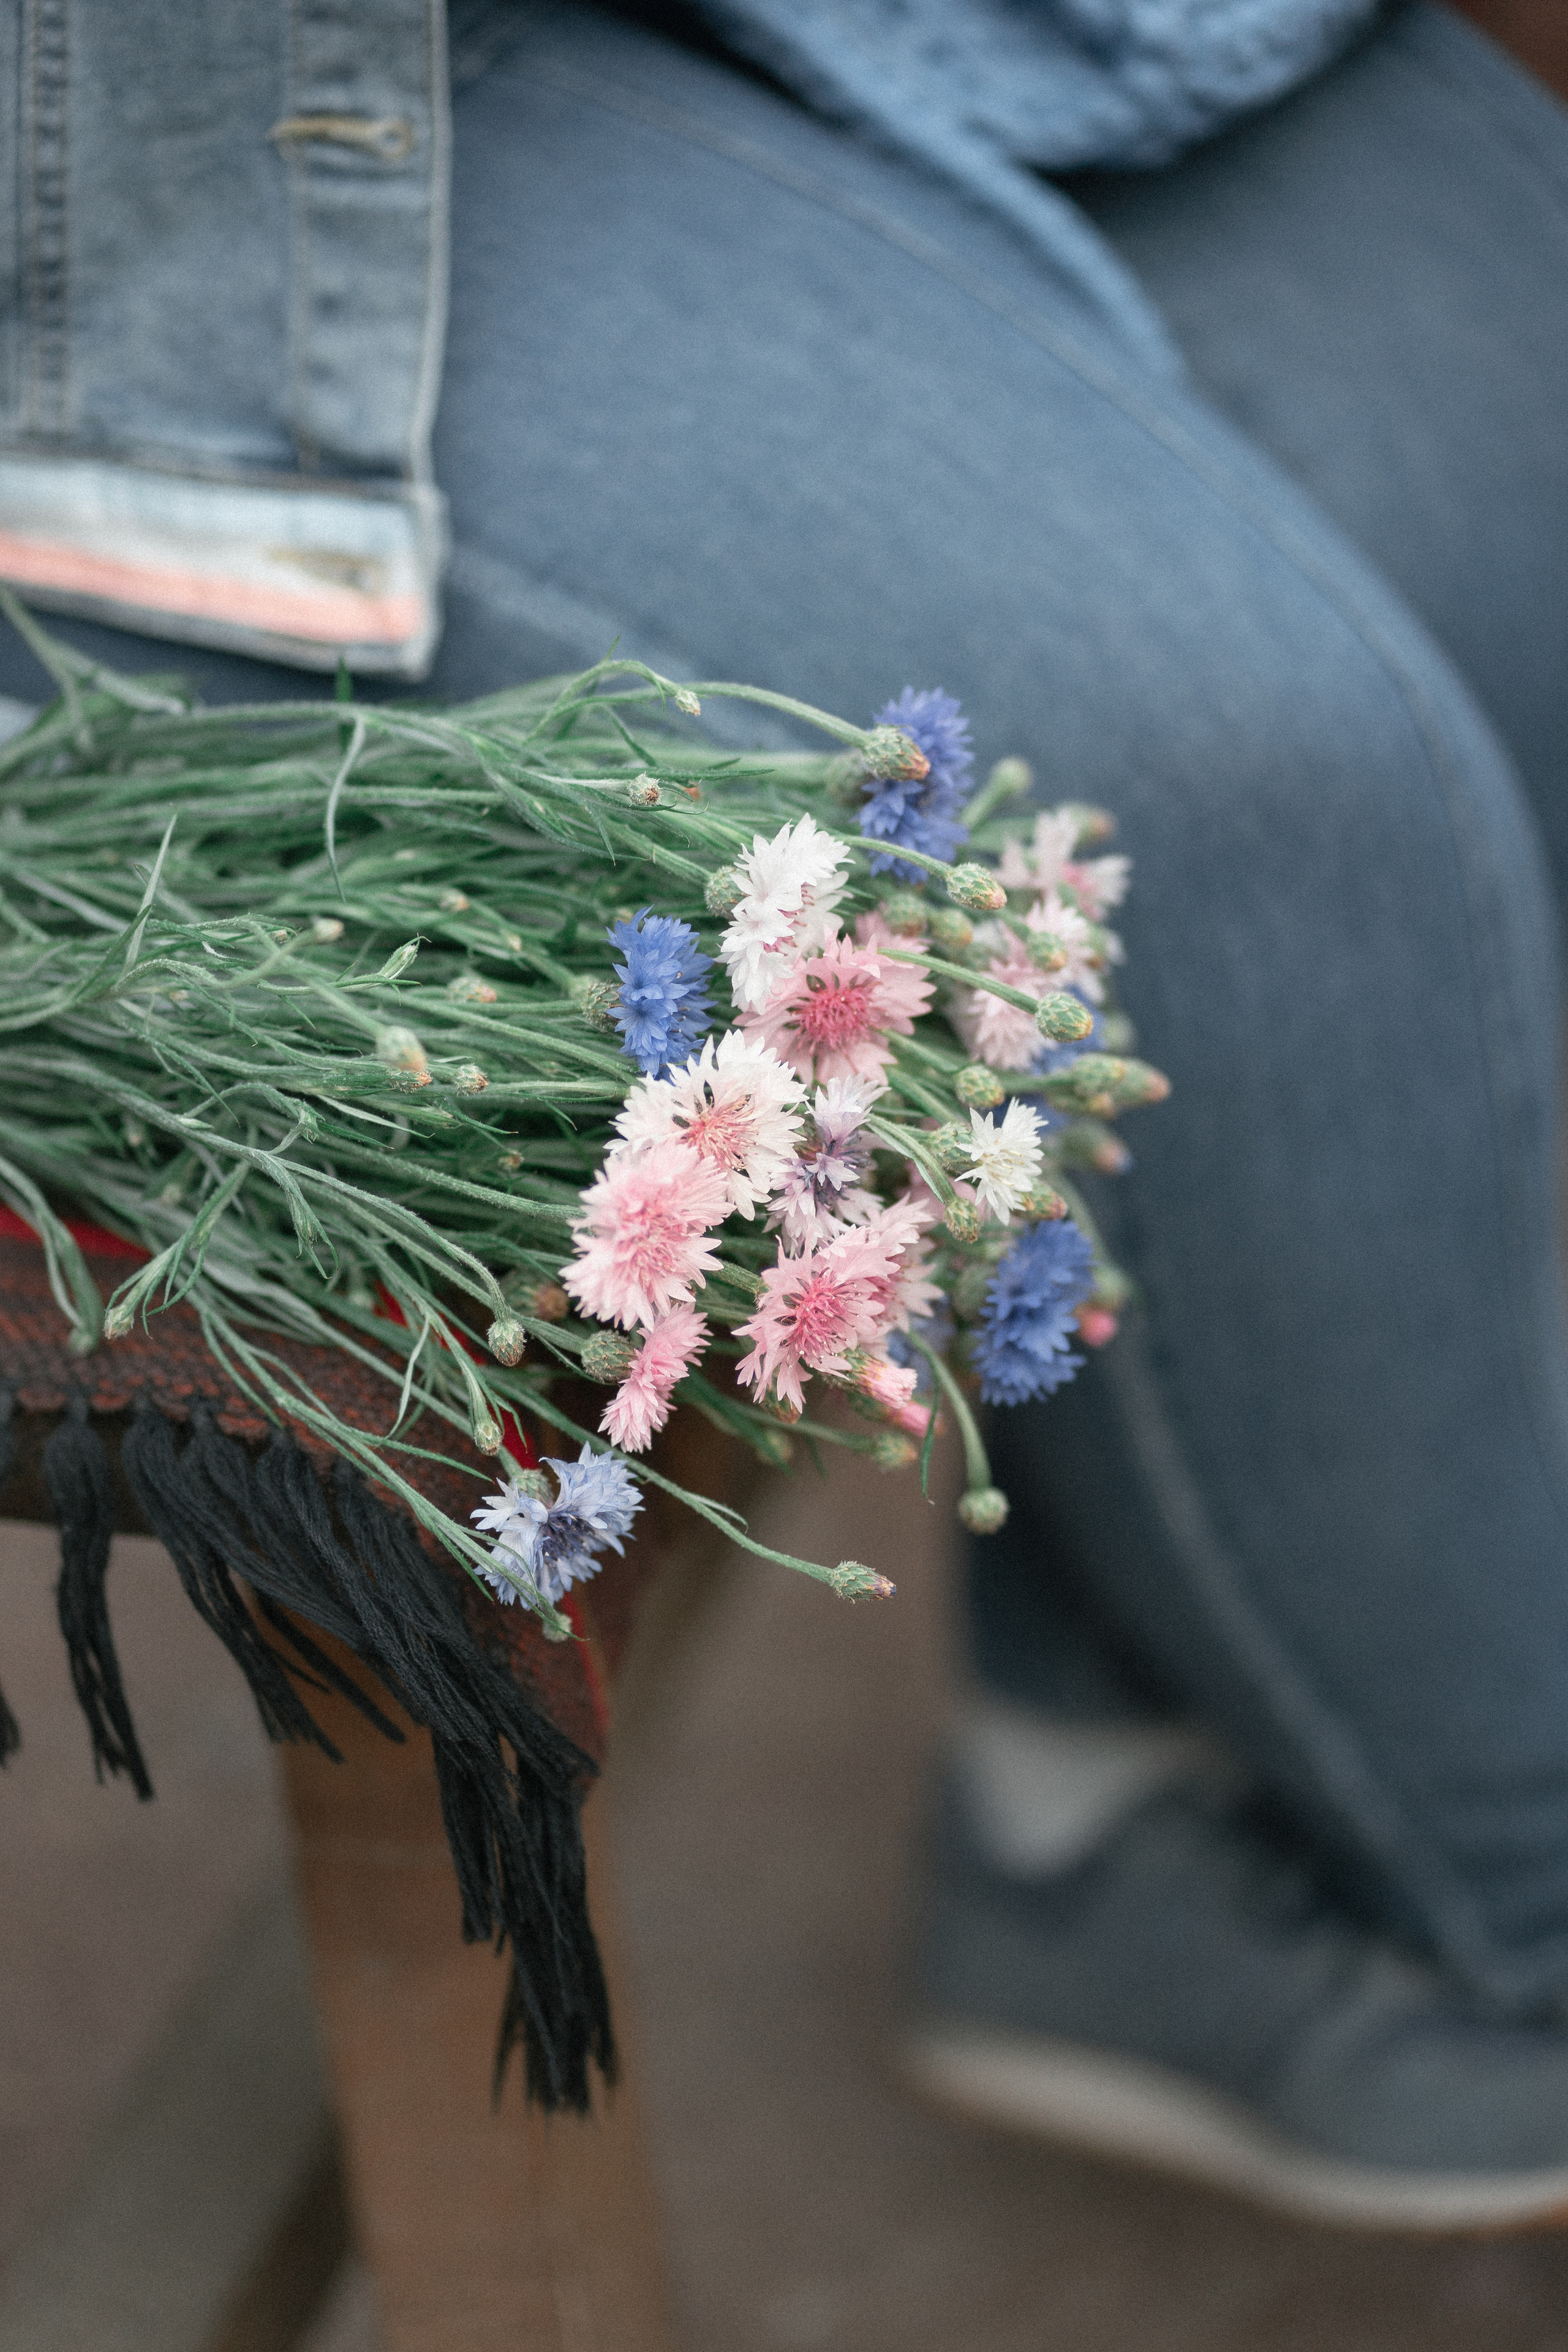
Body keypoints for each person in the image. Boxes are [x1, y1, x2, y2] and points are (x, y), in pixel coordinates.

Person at [4, 0, 1568, 2228]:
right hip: (174, 188)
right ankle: (1508, 1894)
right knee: (1246, 811)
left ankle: (1111, 1765)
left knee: (1496, 385)